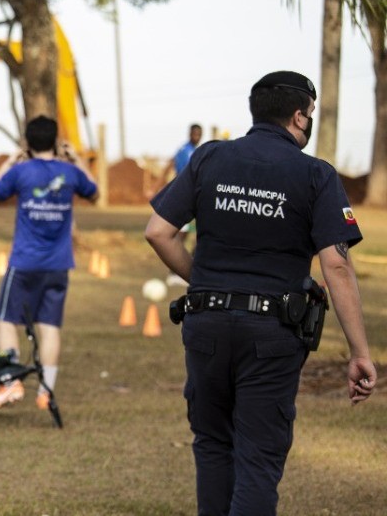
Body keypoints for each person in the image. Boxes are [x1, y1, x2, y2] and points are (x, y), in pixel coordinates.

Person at [145, 71, 376, 515]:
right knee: (258, 458)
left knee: (213, 444)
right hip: (272, 334)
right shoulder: (315, 174)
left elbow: (158, 232)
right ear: (299, 117)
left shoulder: (209, 157)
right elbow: (336, 266)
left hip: (206, 325)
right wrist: (359, 352)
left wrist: (207, 283)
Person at [0, 116, 98, 410]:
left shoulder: (21, 171)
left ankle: (11, 383)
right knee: (50, 326)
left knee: (7, 321)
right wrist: (77, 159)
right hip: (58, 264)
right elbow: (95, 193)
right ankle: (45, 391)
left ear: (27, 143)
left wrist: (10, 161)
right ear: (56, 142)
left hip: (24, 263)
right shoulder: (70, 172)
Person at [162, 123, 204, 286]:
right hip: (186, 197)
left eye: (199, 134)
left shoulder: (194, 150)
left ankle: (184, 270)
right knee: (181, 235)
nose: (197, 137)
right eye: (194, 134)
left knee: (192, 235)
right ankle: (175, 272)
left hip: (193, 197)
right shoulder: (186, 151)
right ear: (190, 134)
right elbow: (185, 174)